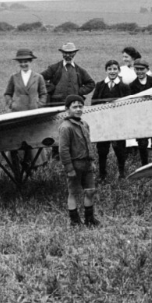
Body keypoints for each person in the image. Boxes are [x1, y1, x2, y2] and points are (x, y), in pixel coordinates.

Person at [57, 95, 97, 227]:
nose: (78, 109)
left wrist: (91, 161)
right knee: (73, 192)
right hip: (75, 165)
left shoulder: (84, 124)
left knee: (90, 191)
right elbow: (63, 150)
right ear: (67, 109)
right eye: (74, 107)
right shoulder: (65, 127)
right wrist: (69, 168)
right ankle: (74, 221)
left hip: (87, 164)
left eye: (80, 106)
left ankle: (89, 219)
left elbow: (88, 144)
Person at [92, 59, 132, 180]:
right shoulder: (100, 85)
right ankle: (102, 174)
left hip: (118, 123)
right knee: (102, 150)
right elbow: (93, 102)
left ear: (118, 70)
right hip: (103, 123)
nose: (112, 71)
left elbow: (128, 104)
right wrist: (103, 104)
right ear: (106, 71)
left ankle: (121, 173)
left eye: (115, 69)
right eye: (110, 69)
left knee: (120, 149)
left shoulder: (124, 86)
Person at [129, 57, 152, 164]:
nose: (139, 72)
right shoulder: (132, 86)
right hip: (141, 119)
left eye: (141, 69)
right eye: (137, 69)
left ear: (147, 69)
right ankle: (145, 166)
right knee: (142, 145)